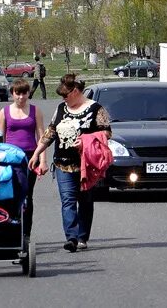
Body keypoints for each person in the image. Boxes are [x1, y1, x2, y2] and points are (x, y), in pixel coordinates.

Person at [28, 74, 112, 253]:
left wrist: (86, 141)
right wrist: (37, 154)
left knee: (86, 201)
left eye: (65, 95)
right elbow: (50, 133)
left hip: (87, 165)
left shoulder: (95, 109)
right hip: (62, 165)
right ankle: (71, 238)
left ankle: (82, 237)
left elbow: (106, 133)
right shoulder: (61, 108)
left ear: (75, 91)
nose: (63, 99)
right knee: (68, 200)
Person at [0, 79, 46, 242]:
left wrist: (43, 160)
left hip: (30, 157)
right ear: (12, 94)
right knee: (9, 195)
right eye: (17, 93)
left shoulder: (35, 111)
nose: (21, 97)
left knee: (27, 195)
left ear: (28, 94)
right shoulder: (4, 112)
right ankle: (11, 230)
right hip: (10, 158)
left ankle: (26, 234)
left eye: (24, 93)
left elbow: (42, 137)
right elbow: (1, 139)